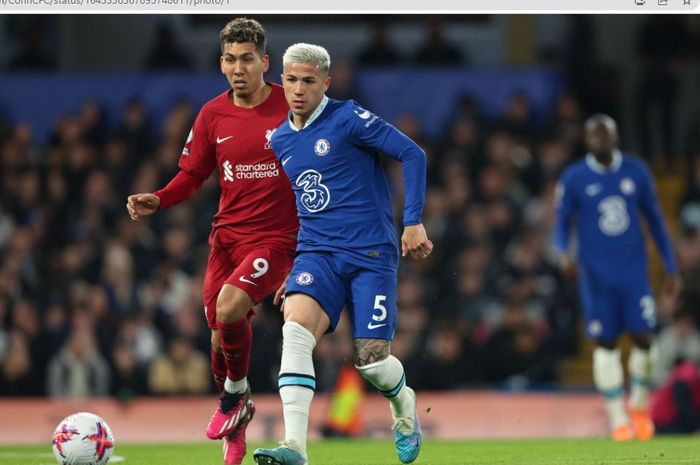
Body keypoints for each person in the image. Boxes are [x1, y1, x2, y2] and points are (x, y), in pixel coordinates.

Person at [126, 18, 298, 465]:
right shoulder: (211, 114)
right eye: (230, 60)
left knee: (228, 307)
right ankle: (236, 428)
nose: (238, 68)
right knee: (220, 342)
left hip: (275, 239)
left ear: (264, 62)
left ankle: (235, 398)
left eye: (247, 60)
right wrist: (158, 199)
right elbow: (193, 175)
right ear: (221, 64)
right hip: (226, 240)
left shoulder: (294, 106)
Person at [253, 43, 431, 465]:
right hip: (317, 254)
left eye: (308, 81)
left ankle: (404, 405)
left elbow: (412, 152)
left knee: (371, 363)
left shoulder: (348, 118)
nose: (298, 90)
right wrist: (290, 265)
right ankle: (295, 446)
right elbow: (297, 204)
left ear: (325, 83)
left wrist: (413, 220)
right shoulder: (280, 140)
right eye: (291, 80)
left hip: (370, 253)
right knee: (294, 331)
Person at [553, 114, 680, 441]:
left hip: (634, 273)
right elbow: (562, 223)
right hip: (596, 277)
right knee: (605, 345)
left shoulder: (636, 172)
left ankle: (639, 405)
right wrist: (562, 253)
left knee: (645, 339)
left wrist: (670, 267)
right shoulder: (575, 177)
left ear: (615, 137)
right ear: (586, 140)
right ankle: (617, 420)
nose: (598, 141)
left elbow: (656, 221)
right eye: (593, 136)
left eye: (604, 135)